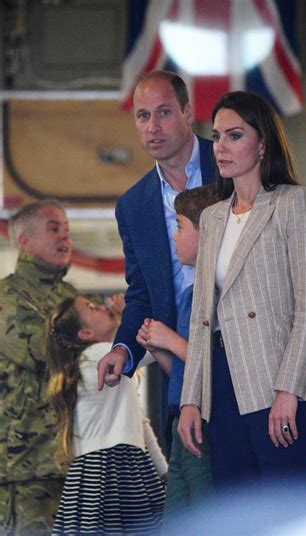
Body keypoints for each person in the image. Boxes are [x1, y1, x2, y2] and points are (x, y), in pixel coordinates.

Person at [178, 91, 306, 489]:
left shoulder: (296, 203)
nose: (221, 148)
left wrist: (289, 391)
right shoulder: (211, 217)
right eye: (216, 137)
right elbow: (200, 320)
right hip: (222, 387)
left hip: (275, 384)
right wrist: (191, 400)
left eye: (234, 135)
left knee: (285, 514)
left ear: (262, 144)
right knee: (235, 512)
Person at [97, 70, 215, 444]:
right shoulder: (133, 205)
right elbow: (141, 294)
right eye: (142, 116)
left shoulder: (231, 166)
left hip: (246, 355)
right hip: (179, 371)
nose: (153, 126)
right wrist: (123, 349)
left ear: (187, 112)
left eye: (163, 112)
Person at [46, 295, 168, 535]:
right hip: (112, 465)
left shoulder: (104, 361)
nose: (102, 307)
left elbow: (139, 423)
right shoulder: (97, 356)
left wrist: (163, 470)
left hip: (120, 462)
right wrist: (131, 315)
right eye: (91, 308)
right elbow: (153, 349)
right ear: (85, 334)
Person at [137, 185, 219, 526]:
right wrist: (159, 349)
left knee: (205, 515)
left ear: (208, 232)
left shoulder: (218, 291)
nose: (174, 236)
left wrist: (170, 340)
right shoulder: (188, 295)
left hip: (207, 422)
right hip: (179, 419)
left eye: (181, 225)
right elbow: (185, 372)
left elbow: (218, 365)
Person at [0, 199, 79, 535]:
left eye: (67, 230)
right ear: (25, 241)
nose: (65, 237)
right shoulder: (8, 297)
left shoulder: (69, 296)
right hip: (24, 468)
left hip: (72, 463)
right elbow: (40, 352)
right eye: (53, 228)